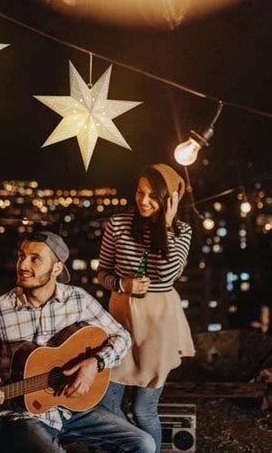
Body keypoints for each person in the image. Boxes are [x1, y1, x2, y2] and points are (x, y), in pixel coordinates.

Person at [0, 231, 156, 452]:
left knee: (144, 444)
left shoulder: (78, 300)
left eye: (35, 258)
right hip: (24, 415)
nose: (22, 265)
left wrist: (94, 363)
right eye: (22, 256)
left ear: (56, 269)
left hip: (73, 409)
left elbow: (122, 337)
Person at [97, 163, 195, 453]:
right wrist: (121, 284)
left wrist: (166, 225)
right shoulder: (116, 224)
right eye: (141, 192)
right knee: (107, 402)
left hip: (159, 323)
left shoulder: (182, 231)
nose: (143, 200)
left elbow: (167, 275)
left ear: (170, 200)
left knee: (144, 410)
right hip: (121, 319)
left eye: (154, 196)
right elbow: (102, 272)